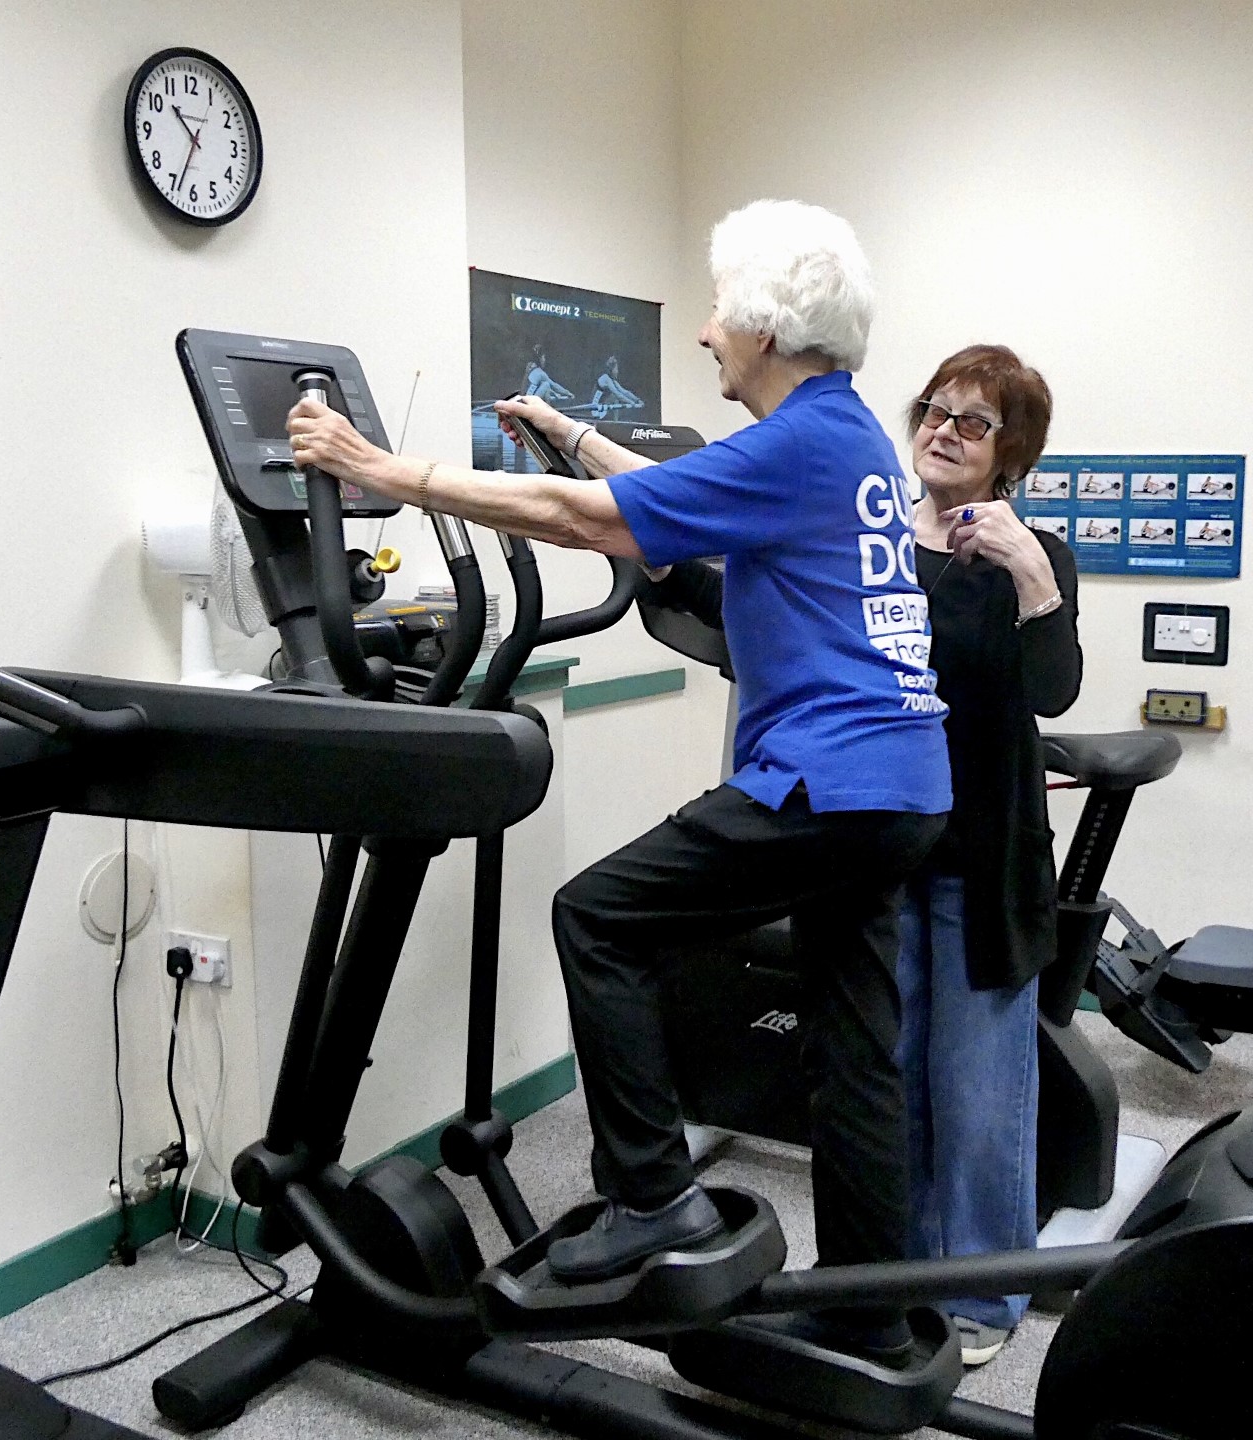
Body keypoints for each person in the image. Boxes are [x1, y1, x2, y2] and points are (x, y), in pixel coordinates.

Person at [286, 199, 950, 1365]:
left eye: (715, 312)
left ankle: (652, 1202)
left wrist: (377, 467)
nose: (704, 334)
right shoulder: (845, 440)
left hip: (828, 779)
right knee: (856, 1048)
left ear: (763, 324)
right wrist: (565, 428)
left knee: (597, 917)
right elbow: (652, 499)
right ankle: (869, 1306)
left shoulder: (801, 441)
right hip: (901, 786)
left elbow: (584, 523)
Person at [897, 344, 1080, 1367]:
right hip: (882, 852)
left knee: (978, 1100)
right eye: (935, 409)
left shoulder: (1036, 551)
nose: (944, 430)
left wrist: (1028, 572)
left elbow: (1053, 689)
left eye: (972, 421)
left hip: (983, 860)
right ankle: (910, 1275)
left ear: (1010, 452)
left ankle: (982, 1297)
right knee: (894, 1082)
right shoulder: (877, 541)